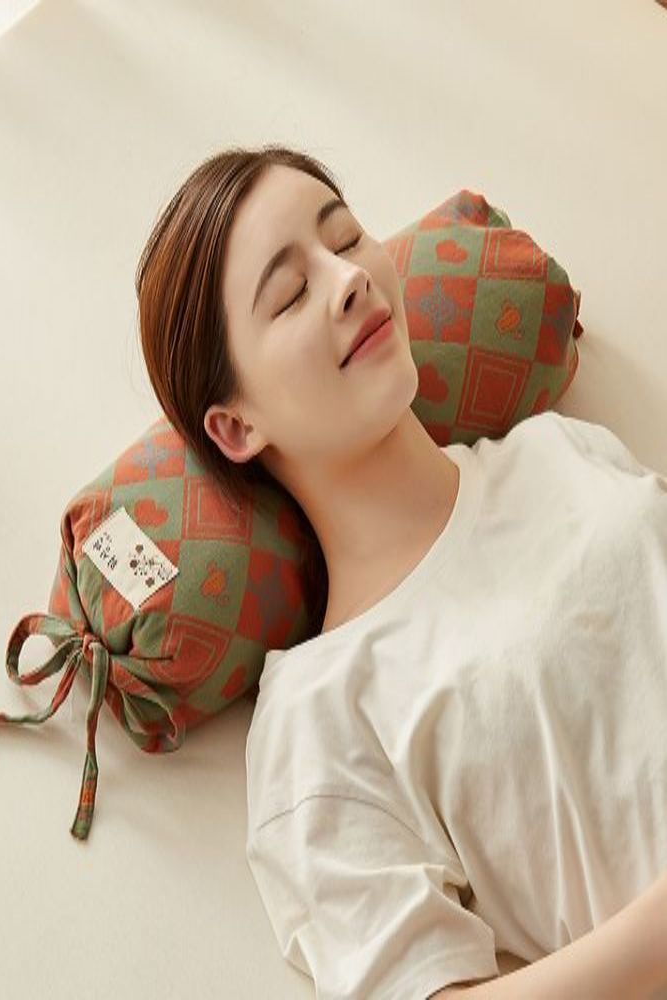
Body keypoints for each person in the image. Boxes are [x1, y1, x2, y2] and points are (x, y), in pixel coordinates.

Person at [134, 143, 667, 999]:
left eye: (346, 238)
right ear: (235, 428)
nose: (348, 279)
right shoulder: (321, 713)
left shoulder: (558, 451)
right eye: (291, 293)